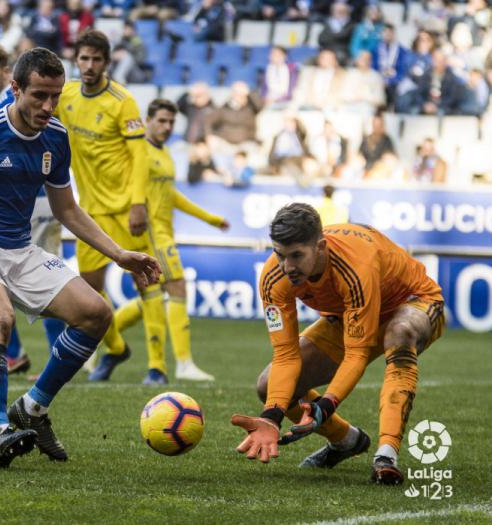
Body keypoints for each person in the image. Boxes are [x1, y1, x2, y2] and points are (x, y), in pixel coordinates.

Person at [0, 47, 160, 469]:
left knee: (96, 313)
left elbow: (67, 210)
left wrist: (118, 254)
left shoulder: (55, 136)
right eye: (39, 95)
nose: (48, 106)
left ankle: (32, 410)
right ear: (15, 87)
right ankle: (0, 429)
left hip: (18, 247)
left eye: (55, 96)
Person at [231, 203, 444, 485]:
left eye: (296, 255)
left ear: (320, 247)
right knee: (268, 385)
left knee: (400, 332)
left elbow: (356, 354)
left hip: (412, 302)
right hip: (349, 314)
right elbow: (285, 355)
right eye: (280, 255)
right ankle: (347, 440)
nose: (288, 267)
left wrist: (326, 404)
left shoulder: (355, 264)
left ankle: (386, 454)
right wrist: (271, 415)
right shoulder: (274, 277)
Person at [56, 29, 163, 383]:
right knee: (89, 291)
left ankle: (157, 368)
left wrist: (138, 204)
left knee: (146, 282)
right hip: (89, 211)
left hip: (124, 210)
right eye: (83, 59)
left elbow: (140, 157)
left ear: (107, 62)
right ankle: (116, 349)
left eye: (96, 59)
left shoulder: (122, 101)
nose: (88, 66)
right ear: (76, 60)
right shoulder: (66, 94)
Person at [111, 99, 229, 383]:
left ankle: (101, 337)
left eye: (171, 122)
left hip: (165, 233)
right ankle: (183, 363)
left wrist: (210, 218)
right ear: (147, 120)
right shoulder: (137, 152)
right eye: (161, 120)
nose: (166, 127)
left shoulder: (165, 155)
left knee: (150, 300)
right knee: (176, 287)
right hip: (150, 235)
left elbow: (171, 195)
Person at [0, 43, 66, 374]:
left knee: (41, 282)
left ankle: (57, 355)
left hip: (34, 203)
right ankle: (17, 354)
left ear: (7, 75)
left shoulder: (14, 107)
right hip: (25, 203)